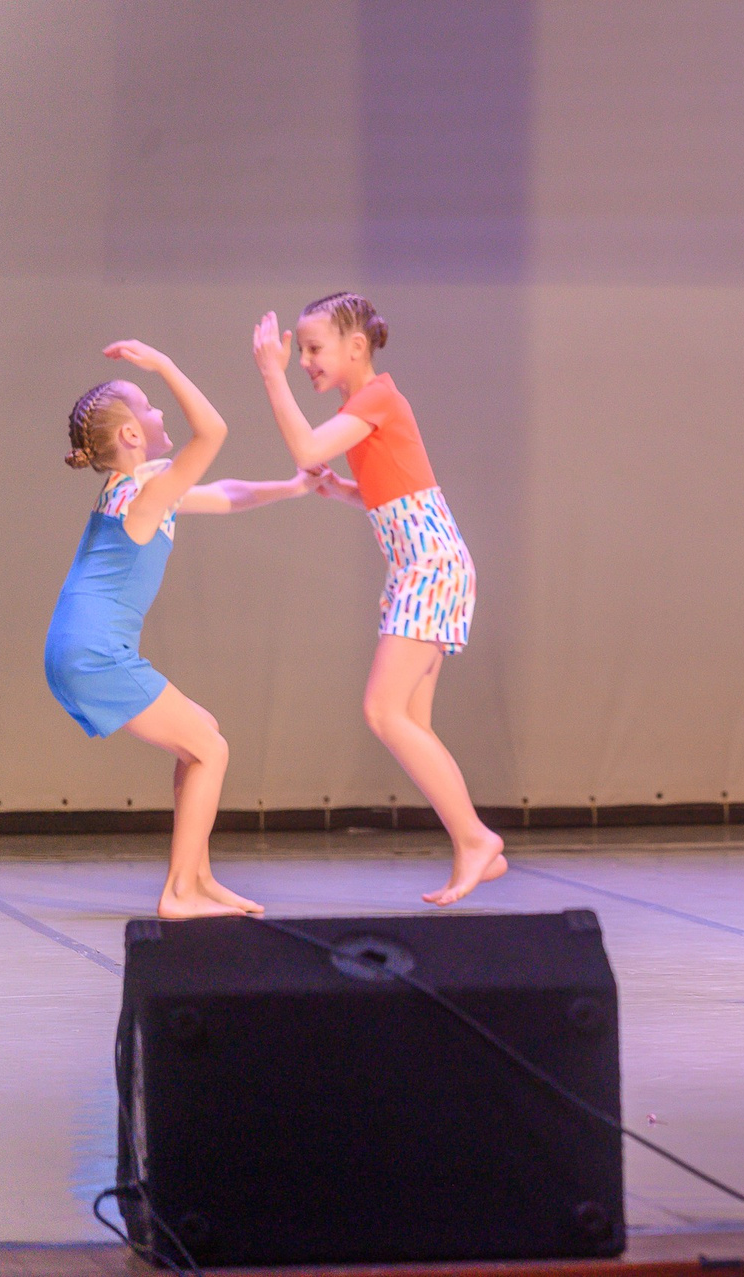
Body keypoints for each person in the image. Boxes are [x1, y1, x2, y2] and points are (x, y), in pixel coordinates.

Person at [47, 341, 328, 918]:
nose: (159, 412)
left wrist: (294, 486)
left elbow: (224, 496)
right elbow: (213, 431)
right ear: (131, 434)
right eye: (150, 406)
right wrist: (165, 364)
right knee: (210, 749)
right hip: (94, 652)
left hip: (81, 648)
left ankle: (197, 878)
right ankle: (179, 892)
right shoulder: (146, 493)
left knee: (203, 733)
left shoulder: (141, 492)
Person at [250, 292, 503, 906]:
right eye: (300, 352)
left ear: (356, 346)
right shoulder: (365, 408)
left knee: (383, 712)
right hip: (417, 566)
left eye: (314, 349)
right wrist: (342, 490)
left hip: (430, 568)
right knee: (409, 721)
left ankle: (476, 838)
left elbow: (307, 449)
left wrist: (270, 375)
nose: (304, 361)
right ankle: (474, 845)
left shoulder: (376, 399)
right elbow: (397, 492)